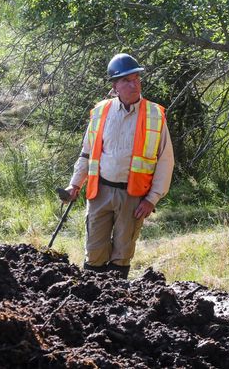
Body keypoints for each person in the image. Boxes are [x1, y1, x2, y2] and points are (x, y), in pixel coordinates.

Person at [63, 53, 174, 279]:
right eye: (126, 81)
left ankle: (117, 303)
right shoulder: (100, 112)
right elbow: (87, 153)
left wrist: (152, 198)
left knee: (122, 254)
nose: (134, 85)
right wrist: (75, 184)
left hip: (133, 196)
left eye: (136, 79)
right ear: (115, 86)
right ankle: (91, 304)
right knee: (94, 252)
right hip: (99, 192)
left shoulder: (155, 115)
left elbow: (165, 160)